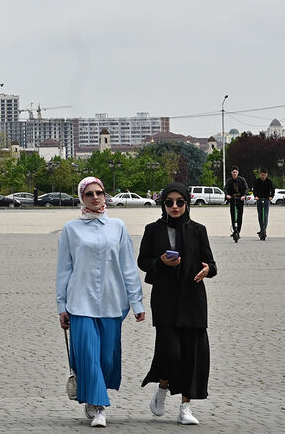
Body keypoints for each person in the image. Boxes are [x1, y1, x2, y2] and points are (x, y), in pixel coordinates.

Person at [57, 176, 146, 428]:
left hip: (111, 302)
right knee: (88, 355)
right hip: (79, 303)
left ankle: (94, 393)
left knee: (107, 358)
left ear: (105, 196)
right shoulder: (71, 229)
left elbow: (128, 267)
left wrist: (136, 302)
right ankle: (99, 407)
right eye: (89, 194)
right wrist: (61, 306)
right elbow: (64, 270)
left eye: (100, 193)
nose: (95, 198)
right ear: (81, 198)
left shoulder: (117, 226)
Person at [138, 182, 217, 426]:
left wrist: (208, 270)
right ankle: (162, 387)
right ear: (163, 204)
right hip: (165, 299)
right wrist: (161, 263)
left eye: (180, 202)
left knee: (192, 355)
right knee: (171, 352)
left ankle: (185, 407)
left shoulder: (198, 230)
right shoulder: (153, 229)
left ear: (187, 203)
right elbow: (143, 261)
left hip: (193, 299)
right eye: (169, 202)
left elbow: (211, 263)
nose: (175, 206)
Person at [224, 168, 248, 243]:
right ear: (231, 173)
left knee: (240, 215)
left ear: (238, 173)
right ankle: (234, 230)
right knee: (233, 215)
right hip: (232, 199)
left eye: (236, 172)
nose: (235, 173)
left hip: (240, 200)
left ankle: (238, 231)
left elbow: (246, 188)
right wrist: (227, 195)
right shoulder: (229, 181)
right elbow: (225, 189)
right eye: (233, 172)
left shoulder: (242, 180)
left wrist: (244, 195)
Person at [252, 168, 275, 240]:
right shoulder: (257, 181)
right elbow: (254, 190)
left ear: (266, 175)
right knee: (260, 215)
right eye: (262, 175)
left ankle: (264, 229)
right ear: (260, 174)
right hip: (259, 199)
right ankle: (261, 228)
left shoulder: (269, 181)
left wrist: (271, 196)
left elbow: (272, 190)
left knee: (265, 215)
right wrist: (255, 196)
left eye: (264, 175)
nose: (263, 176)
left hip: (266, 199)